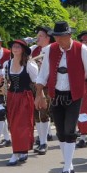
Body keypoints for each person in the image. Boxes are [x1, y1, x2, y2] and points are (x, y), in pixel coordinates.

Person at [35, 21, 87, 173]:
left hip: (74, 95)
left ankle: (65, 169)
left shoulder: (81, 49)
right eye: (56, 37)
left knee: (70, 130)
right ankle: (69, 164)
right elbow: (43, 74)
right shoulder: (50, 50)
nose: (59, 40)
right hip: (56, 94)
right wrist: (39, 94)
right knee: (61, 132)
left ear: (69, 35)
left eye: (61, 37)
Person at [3, 39, 38, 166]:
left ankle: (16, 152)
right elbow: (6, 81)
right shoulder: (8, 64)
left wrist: (40, 96)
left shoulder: (29, 64)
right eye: (13, 46)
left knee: (23, 125)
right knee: (13, 125)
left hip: (25, 96)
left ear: (22, 49)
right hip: (12, 97)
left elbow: (36, 81)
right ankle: (22, 150)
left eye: (18, 47)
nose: (15, 49)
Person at [31, 26, 55, 154]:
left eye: (40, 36)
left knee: (43, 112)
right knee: (36, 114)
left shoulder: (52, 50)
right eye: (38, 35)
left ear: (47, 38)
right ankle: (41, 139)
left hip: (46, 86)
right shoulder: (34, 50)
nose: (37, 38)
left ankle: (44, 142)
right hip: (34, 85)